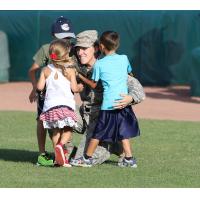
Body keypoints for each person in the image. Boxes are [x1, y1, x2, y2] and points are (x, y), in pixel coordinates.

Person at [71, 30, 143, 167]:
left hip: (106, 110)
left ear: (99, 47)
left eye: (84, 48)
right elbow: (129, 70)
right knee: (123, 133)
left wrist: (130, 98)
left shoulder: (102, 65)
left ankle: (99, 152)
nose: (80, 52)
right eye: (78, 49)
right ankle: (129, 158)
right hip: (90, 114)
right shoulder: (123, 59)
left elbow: (136, 86)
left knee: (97, 135)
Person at [28, 16, 82, 167]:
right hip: (48, 94)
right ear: (53, 36)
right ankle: (42, 154)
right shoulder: (47, 49)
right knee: (43, 121)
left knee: (62, 126)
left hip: (64, 96)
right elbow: (32, 71)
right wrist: (34, 88)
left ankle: (60, 153)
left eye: (68, 37)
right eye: (62, 37)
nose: (66, 41)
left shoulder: (73, 49)